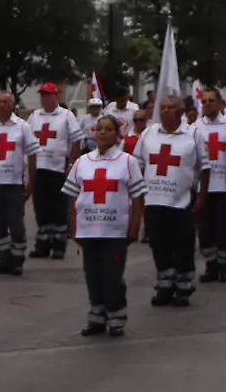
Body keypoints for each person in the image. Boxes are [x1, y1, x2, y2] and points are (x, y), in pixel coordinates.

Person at [66, 114, 146, 337]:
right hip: (88, 229)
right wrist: (73, 226)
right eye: (99, 128)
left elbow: (138, 197)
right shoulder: (83, 162)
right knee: (92, 274)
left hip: (115, 231)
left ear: (116, 134)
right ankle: (97, 316)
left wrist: (135, 226)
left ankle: (116, 316)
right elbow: (72, 197)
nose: (102, 132)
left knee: (112, 275)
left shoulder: (128, 162)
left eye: (108, 129)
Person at [134, 93, 201, 307]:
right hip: (153, 201)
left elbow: (203, 168)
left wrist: (202, 196)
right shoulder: (149, 133)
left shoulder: (193, 134)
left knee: (183, 244)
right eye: (162, 107)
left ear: (180, 111)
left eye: (171, 107)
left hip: (181, 201)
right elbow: (138, 164)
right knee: (158, 243)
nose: (165, 111)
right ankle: (165, 284)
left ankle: (183, 285)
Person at [0, 91, 36, 276]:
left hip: (14, 184)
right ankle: (4, 260)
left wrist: (31, 182)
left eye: (5, 102)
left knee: (16, 222)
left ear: (13, 105)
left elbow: (33, 155)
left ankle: (17, 260)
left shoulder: (22, 127)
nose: (2, 105)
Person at [27, 82, 86, 259]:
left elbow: (77, 140)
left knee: (58, 208)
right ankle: (43, 244)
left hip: (58, 169)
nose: (45, 98)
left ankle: (59, 244)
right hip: (39, 168)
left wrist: (71, 164)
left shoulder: (66, 116)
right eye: (43, 95)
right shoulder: (34, 116)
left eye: (48, 95)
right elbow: (27, 141)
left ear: (56, 96)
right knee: (41, 207)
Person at [192, 87, 226, 283]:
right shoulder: (195, 127)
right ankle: (210, 265)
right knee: (205, 229)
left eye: (211, 101)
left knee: (224, 228)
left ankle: (224, 266)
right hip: (202, 188)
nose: (207, 105)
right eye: (204, 101)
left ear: (221, 104)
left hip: (223, 186)